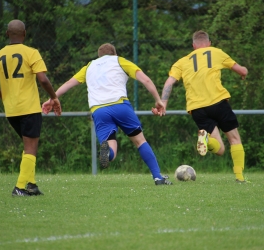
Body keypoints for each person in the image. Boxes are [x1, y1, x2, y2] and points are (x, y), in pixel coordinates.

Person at [42, 43, 172, 185]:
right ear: (114, 54)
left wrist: (51, 99)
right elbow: (145, 79)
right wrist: (158, 100)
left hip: (99, 110)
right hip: (120, 106)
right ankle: (158, 177)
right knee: (140, 141)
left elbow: (68, 83)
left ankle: (107, 153)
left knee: (111, 149)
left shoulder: (89, 66)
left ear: (99, 56)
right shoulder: (119, 60)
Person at [154, 30, 248, 183]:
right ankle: (239, 177)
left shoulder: (182, 62)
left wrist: (163, 103)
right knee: (234, 139)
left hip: (197, 108)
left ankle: (206, 140)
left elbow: (170, 82)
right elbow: (240, 69)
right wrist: (244, 71)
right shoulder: (216, 52)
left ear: (193, 46)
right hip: (218, 102)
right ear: (209, 43)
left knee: (220, 149)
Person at [0, 19, 62, 197]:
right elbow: (43, 79)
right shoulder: (31, 53)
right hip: (29, 108)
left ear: (7, 34)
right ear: (24, 34)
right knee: (31, 147)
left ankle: (31, 185)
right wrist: (53, 97)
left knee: (28, 147)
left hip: (11, 110)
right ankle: (19, 187)